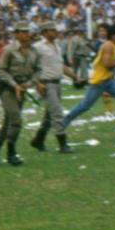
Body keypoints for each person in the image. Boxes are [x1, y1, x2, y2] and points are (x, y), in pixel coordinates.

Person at [63, 23, 115, 133]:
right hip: (99, 81)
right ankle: (64, 122)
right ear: (113, 35)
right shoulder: (108, 45)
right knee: (84, 106)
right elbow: (107, 64)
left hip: (108, 80)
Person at [0, 23, 38, 166]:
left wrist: (29, 84)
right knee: (16, 120)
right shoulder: (8, 50)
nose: (27, 34)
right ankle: (11, 152)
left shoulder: (33, 51)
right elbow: (1, 71)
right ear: (16, 34)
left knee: (8, 123)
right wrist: (15, 85)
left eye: (28, 32)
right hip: (7, 89)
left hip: (22, 88)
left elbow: (38, 70)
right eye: (23, 32)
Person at [30, 22, 80, 154]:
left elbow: (61, 66)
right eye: (52, 30)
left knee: (49, 114)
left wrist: (74, 77)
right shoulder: (37, 47)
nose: (55, 32)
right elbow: (30, 66)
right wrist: (37, 83)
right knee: (57, 112)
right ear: (44, 32)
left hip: (57, 83)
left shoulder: (56, 46)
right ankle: (63, 144)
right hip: (46, 83)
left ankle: (38, 139)